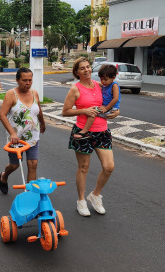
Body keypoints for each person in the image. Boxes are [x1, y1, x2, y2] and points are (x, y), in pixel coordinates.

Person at [62, 57, 120, 217]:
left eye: (88, 67)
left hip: (102, 131)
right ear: (77, 72)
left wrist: (116, 111)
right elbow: (65, 111)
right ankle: (81, 201)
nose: (87, 70)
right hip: (83, 131)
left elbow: (109, 101)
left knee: (109, 167)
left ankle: (95, 195)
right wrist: (84, 111)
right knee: (84, 167)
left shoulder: (100, 85)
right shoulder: (75, 89)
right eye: (82, 68)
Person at [0, 67, 46, 194]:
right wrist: (12, 133)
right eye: (24, 80)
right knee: (14, 165)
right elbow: (2, 115)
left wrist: (42, 123)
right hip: (16, 138)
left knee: (33, 164)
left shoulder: (34, 93)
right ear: (17, 80)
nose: (28, 83)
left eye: (30, 80)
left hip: (32, 136)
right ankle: (4, 176)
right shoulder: (11, 94)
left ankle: (30, 195)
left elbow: (38, 110)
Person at [73, 64, 121, 140]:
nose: (103, 82)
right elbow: (94, 83)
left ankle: (84, 131)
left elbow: (115, 99)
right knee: (93, 111)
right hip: (106, 108)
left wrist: (106, 109)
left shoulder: (114, 85)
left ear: (113, 77)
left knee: (92, 113)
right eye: (101, 79)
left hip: (110, 109)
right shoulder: (105, 85)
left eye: (105, 79)